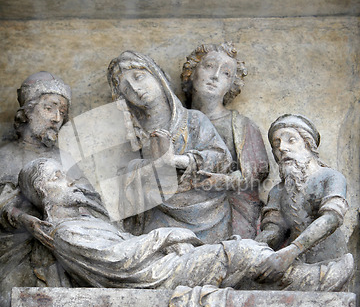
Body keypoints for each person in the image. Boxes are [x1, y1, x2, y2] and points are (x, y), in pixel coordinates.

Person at [17, 157, 354, 293]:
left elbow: (122, 246)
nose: (70, 181)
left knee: (242, 254)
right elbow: (117, 259)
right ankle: (316, 282)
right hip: (154, 277)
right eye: (57, 177)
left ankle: (304, 280)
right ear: (41, 191)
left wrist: (169, 244)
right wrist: (166, 235)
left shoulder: (86, 222)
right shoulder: (67, 232)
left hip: (160, 266)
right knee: (241, 252)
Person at [0, 72, 90, 307]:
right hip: (13, 246)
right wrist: (23, 218)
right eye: (50, 108)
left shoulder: (66, 161)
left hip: (57, 250)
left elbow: (85, 202)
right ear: (27, 110)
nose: (56, 118)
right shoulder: (4, 155)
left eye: (62, 113)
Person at [107, 51, 233, 243]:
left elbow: (222, 158)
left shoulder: (194, 120)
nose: (135, 88)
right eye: (125, 87)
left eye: (139, 77)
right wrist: (147, 168)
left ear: (157, 75)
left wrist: (177, 161)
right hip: (155, 219)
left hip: (206, 213)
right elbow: (119, 186)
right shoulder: (131, 138)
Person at [181, 43, 269, 238]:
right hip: (179, 206)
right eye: (209, 66)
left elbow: (257, 171)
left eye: (226, 74)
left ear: (231, 85)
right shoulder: (176, 120)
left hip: (227, 208)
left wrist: (225, 181)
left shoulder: (241, 125)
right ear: (192, 71)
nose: (215, 76)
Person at [255, 114, 350, 282]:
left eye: (291, 140)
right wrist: (251, 251)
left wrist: (291, 251)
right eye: (277, 145)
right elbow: (274, 231)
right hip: (292, 265)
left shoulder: (331, 177)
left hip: (328, 265)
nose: (282, 148)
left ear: (308, 145)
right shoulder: (278, 191)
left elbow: (332, 218)